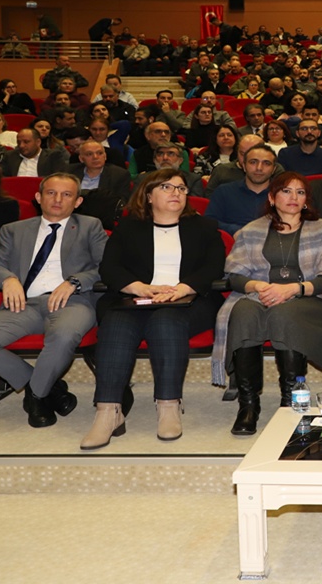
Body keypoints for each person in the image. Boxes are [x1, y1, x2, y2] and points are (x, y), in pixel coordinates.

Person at [81, 170, 225, 450]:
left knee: (165, 321)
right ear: (148, 195)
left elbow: (214, 267)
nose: (176, 193)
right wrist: (139, 287)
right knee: (116, 323)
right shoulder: (128, 228)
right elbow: (109, 268)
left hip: (188, 300)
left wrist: (183, 288)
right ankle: (109, 412)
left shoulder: (204, 226)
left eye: (182, 189)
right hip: (136, 299)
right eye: (167, 187)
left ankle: (169, 404)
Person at [0, 173, 107, 427]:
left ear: (78, 202)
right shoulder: (14, 230)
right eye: (51, 193)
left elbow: (106, 266)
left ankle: (37, 397)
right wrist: (7, 279)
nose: (58, 200)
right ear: (38, 197)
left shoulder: (90, 226)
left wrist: (75, 281)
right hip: (24, 304)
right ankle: (48, 386)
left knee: (62, 336)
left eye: (67, 195)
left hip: (73, 302)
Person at [214, 173, 322, 435]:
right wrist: (259, 286)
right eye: (286, 191)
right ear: (272, 198)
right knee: (242, 311)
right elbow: (236, 275)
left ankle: (290, 401)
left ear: (307, 200)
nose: (293, 198)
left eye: (300, 192)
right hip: (259, 294)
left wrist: (293, 289)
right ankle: (249, 405)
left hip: (312, 297)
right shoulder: (251, 230)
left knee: (284, 313)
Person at [207, 143, 277, 234]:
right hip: (232, 244)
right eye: (253, 162)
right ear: (244, 166)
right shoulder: (224, 191)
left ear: (274, 169)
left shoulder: (283, 195)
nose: (259, 168)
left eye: (266, 163)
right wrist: (236, 230)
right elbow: (210, 221)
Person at [1, 128, 70, 178]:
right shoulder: (10, 156)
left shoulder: (53, 156)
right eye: (19, 142)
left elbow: (59, 178)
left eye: (26, 142)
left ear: (38, 142)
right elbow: (3, 178)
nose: (21, 146)